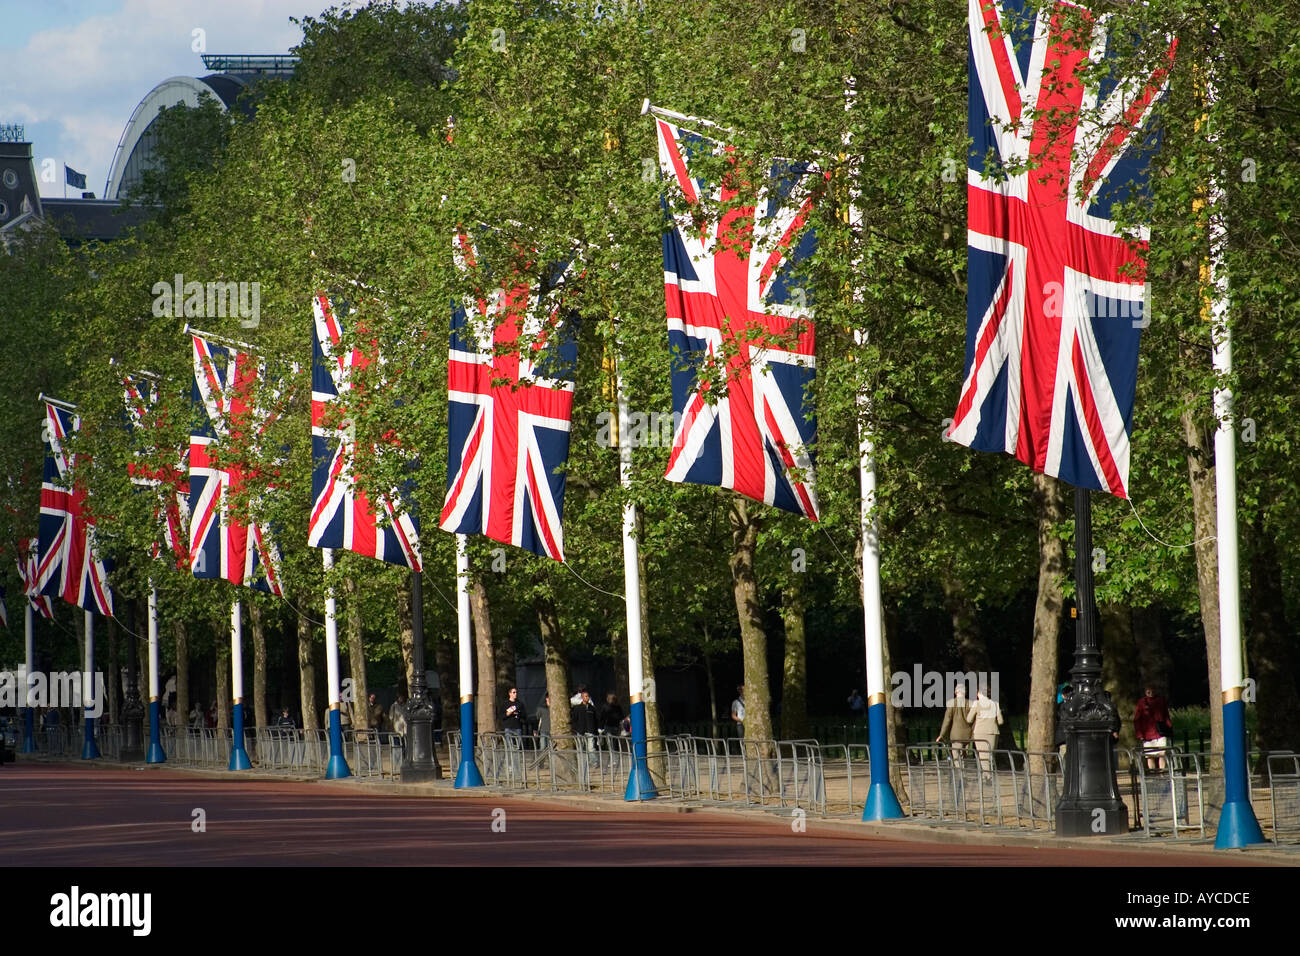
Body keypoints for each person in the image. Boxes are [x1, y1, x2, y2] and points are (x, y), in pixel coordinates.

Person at [965, 688, 1003, 778]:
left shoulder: (976, 703)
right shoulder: (995, 704)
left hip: (980, 732)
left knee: (983, 755)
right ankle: (988, 774)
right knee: (991, 755)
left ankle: (987, 775)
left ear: (979, 693)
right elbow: (1000, 721)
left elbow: (969, 719)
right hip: (993, 732)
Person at [1133, 685, 1172, 772]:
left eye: (1152, 691)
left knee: (1162, 753)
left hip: (1160, 732)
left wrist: (1169, 727)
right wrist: (1139, 734)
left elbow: (1166, 715)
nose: (1151, 693)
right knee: (1150, 756)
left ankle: (1161, 772)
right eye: (1148, 692)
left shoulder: (1160, 700)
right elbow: (1137, 719)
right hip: (1147, 734)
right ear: (1145, 692)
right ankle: (1153, 773)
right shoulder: (1141, 702)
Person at [936, 684, 974, 761]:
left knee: (956, 757)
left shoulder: (951, 703)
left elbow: (947, 720)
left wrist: (941, 734)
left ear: (955, 692)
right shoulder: (971, 703)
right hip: (968, 735)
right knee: (964, 757)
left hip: (956, 735)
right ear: (965, 692)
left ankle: (960, 772)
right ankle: (963, 771)